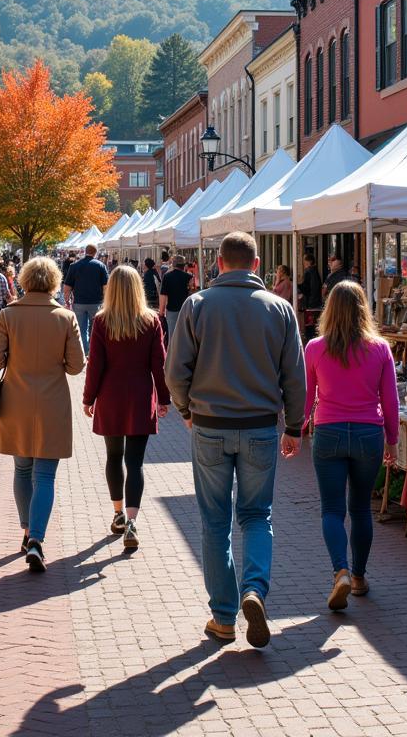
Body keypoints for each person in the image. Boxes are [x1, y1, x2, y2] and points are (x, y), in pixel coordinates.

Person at [165, 231, 305, 649]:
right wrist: (294, 427)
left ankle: (224, 618)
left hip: (210, 424)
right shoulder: (280, 308)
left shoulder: (198, 305)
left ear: (219, 264)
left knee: (213, 521)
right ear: (257, 265)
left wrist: (187, 410)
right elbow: (295, 376)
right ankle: (254, 590)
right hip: (261, 425)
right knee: (257, 515)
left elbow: (175, 372)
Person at [303, 280, 399, 613]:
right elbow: (390, 401)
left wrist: (296, 427)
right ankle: (358, 577)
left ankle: (339, 569)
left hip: (328, 431)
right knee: (360, 509)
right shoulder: (380, 349)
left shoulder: (315, 347)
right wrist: (393, 439)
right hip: (367, 433)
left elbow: (305, 395)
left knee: (332, 509)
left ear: (329, 309)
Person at [0, 257, 85, 572]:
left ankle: (27, 530)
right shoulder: (65, 317)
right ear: (54, 282)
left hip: (16, 401)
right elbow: (76, 366)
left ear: (24, 281)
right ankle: (37, 540)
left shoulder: (8, 315)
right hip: (53, 403)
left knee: (22, 470)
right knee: (45, 475)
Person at [83, 266, 170, 549]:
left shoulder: (101, 322)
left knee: (113, 456)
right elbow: (160, 364)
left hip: (110, 396)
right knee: (135, 462)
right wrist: (166, 398)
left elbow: (95, 366)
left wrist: (88, 398)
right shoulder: (151, 321)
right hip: (141, 396)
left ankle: (118, 513)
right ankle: (132, 520)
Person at [63, 243, 109, 356]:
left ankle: (84, 351)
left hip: (79, 302)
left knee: (81, 329)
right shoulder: (101, 266)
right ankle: (93, 351)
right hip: (96, 302)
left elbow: (67, 287)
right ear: (95, 252)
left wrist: (67, 300)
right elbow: (106, 287)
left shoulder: (74, 266)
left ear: (85, 251)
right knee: (95, 328)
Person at [159, 254, 193, 342]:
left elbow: (163, 295)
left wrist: (161, 312)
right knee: (186, 337)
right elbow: (191, 293)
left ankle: (172, 355)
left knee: (172, 338)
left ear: (173, 264)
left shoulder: (167, 277)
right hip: (186, 310)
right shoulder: (189, 277)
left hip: (172, 310)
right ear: (184, 265)